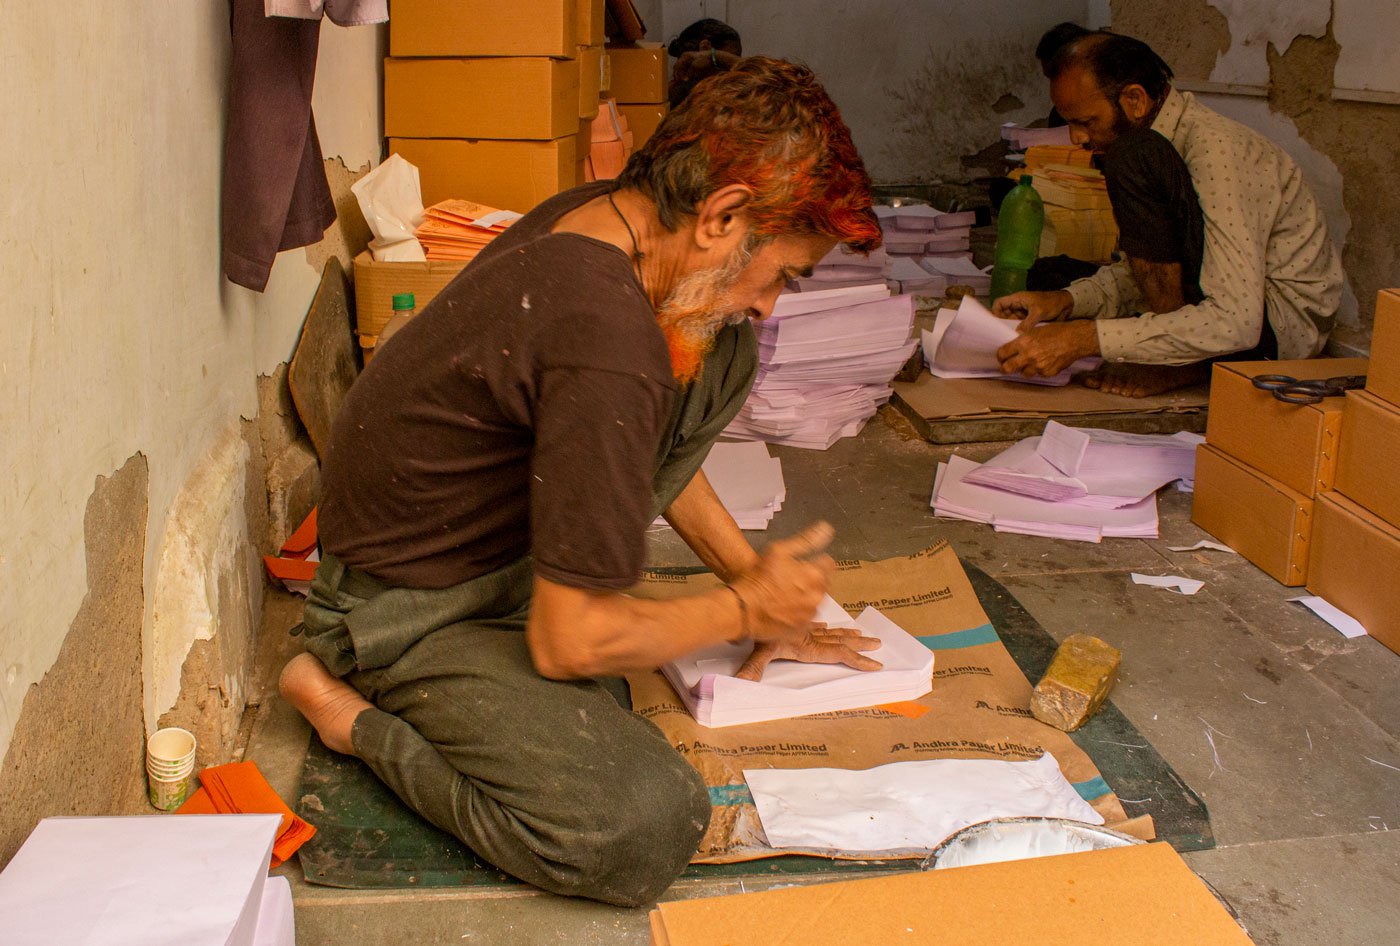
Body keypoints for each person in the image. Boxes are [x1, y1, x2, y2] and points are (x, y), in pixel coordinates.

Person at [277, 57, 884, 908]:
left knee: (724, 345)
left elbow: (635, 424)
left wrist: (747, 575)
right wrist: (748, 612)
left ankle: (551, 630)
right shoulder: (607, 340)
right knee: (641, 820)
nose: (774, 302)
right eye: (784, 271)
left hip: (492, 549)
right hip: (401, 611)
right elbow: (570, 643)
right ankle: (350, 714)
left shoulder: (600, 218)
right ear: (723, 215)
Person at [994, 31, 1343, 397]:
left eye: (1087, 122)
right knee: (1054, 275)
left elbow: (1236, 322)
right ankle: (1173, 355)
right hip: (1230, 302)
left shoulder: (1216, 151)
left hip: (1279, 330)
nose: (1078, 139)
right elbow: (1151, 267)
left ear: (1135, 100)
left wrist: (1084, 338)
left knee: (1130, 157)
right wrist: (1065, 302)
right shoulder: (1160, 146)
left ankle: (1185, 364)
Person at [667, 18, 742, 107]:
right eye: (729, 60)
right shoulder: (703, 97)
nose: (734, 71)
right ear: (705, 47)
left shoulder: (670, 92)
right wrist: (714, 56)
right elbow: (759, 75)